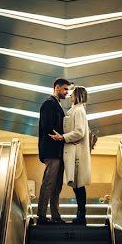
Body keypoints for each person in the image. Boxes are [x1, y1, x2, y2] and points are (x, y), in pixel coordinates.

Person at [50, 85, 91, 226]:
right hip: (74, 152)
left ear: (78, 96)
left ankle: (81, 216)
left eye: (72, 94)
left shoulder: (78, 111)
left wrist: (63, 137)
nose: (70, 96)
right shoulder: (77, 110)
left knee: (79, 186)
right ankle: (81, 216)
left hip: (77, 154)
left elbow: (79, 132)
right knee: (77, 186)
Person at [37, 78, 70, 224]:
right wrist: (59, 137)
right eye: (65, 89)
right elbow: (47, 126)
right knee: (49, 183)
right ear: (57, 87)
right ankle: (42, 216)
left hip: (58, 151)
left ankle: (55, 215)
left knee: (57, 185)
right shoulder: (49, 104)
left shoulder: (57, 104)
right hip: (51, 151)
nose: (67, 92)